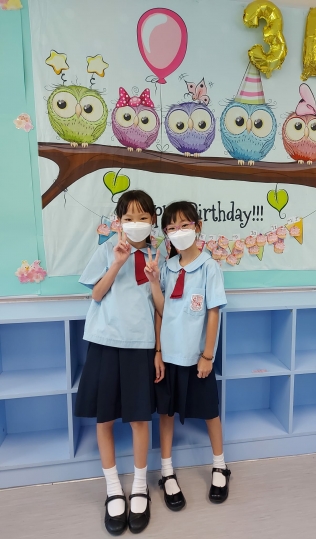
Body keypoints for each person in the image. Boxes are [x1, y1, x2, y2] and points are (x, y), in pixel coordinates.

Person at [75, 190, 164, 535]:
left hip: (140, 345)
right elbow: (96, 294)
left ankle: (140, 486)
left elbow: (161, 309)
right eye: (129, 217)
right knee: (105, 419)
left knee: (140, 418)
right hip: (104, 342)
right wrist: (117, 262)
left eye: (143, 217)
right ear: (119, 221)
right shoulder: (107, 249)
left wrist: (158, 350)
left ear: (153, 220)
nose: (136, 223)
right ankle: (113, 487)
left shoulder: (159, 254)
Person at [144, 200, 231, 512]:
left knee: (210, 412)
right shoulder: (168, 268)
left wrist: (207, 355)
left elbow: (213, 313)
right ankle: (166, 472)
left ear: (198, 227)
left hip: (197, 359)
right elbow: (162, 310)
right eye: (171, 228)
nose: (177, 232)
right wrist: (158, 351)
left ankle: (220, 465)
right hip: (169, 357)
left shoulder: (209, 268)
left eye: (183, 225)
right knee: (166, 413)